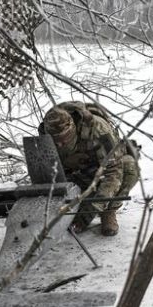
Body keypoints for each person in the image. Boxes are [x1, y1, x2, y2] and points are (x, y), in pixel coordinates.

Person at [40, 101, 140, 236]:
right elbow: (46, 170)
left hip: (101, 171)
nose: (60, 144)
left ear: (74, 129)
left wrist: (93, 209)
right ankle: (74, 208)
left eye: (64, 140)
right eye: (55, 141)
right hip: (74, 176)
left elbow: (113, 171)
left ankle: (108, 211)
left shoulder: (99, 129)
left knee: (129, 167)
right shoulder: (45, 132)